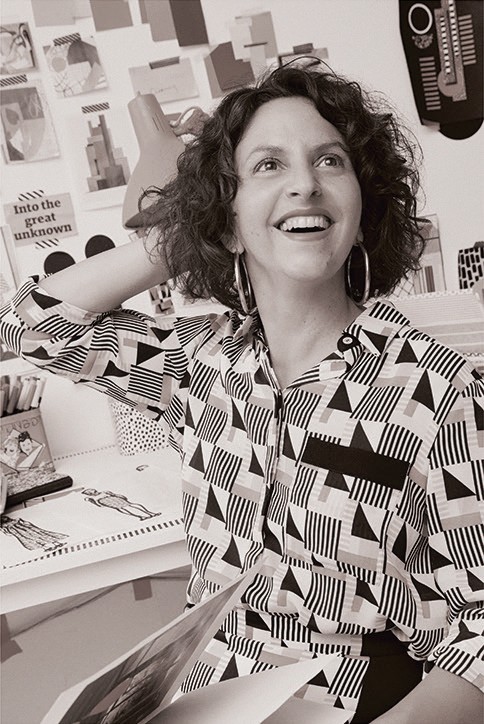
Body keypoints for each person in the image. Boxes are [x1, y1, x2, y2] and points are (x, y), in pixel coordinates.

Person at [0, 60, 482, 722]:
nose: (305, 184)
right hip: (196, 698)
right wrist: (185, 231)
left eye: (330, 161)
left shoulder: (438, 391)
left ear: (362, 204)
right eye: (268, 166)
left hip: (352, 704)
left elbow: (479, 637)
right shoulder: (198, 364)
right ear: (228, 221)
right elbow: (33, 327)